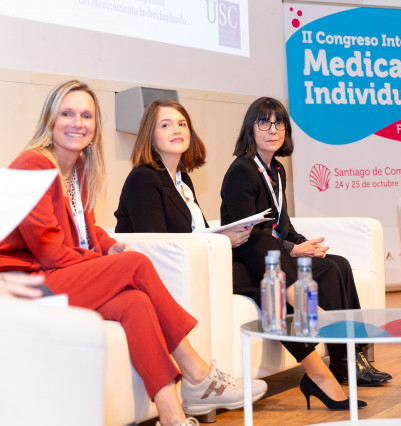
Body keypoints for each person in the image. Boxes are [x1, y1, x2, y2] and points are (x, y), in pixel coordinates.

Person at [0, 80, 266, 426]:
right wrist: (109, 263)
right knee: (135, 264)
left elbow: (84, 228)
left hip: (55, 276)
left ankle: (172, 417)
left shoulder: (78, 167)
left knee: (135, 303)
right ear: (50, 120)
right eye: (67, 114)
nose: (77, 123)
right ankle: (197, 371)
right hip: (25, 285)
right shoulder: (33, 165)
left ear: (96, 127)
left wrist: (108, 245)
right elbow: (51, 251)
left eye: (86, 115)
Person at [115, 98, 386, 411]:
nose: (176, 130)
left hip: (206, 267)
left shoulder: (183, 181)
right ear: (150, 135)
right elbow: (162, 247)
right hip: (173, 276)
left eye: (182, 124)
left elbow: (197, 235)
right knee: (262, 245)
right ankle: (307, 309)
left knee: (271, 285)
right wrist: (223, 241)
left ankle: (319, 372)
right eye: (165, 125)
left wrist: (223, 239)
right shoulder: (144, 179)